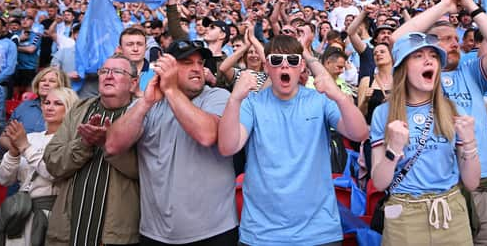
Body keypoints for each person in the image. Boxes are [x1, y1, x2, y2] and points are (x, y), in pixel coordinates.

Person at [392, 0, 487, 246]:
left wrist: (470, 5)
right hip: (436, 188)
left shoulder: (471, 72)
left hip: (480, 182)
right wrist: (445, 5)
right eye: (446, 40)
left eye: (456, 39)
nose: (455, 44)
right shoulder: (419, 79)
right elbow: (396, 40)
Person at [218, 34, 369, 245]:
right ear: (267, 67)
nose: (285, 67)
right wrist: (234, 98)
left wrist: (338, 95)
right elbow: (227, 147)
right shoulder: (251, 103)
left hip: (318, 232)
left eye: (293, 60)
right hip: (262, 233)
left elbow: (359, 133)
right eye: (277, 61)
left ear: (301, 67)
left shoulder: (319, 100)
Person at [105, 38, 238, 245]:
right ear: (167, 68)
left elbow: (207, 135)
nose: (197, 69)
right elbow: (113, 145)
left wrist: (171, 90)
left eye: (200, 63)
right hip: (155, 233)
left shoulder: (217, 96)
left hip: (214, 232)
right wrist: (145, 103)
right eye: (187, 63)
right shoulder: (150, 103)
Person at [370, 32, 480, 246]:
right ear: (402, 67)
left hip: (450, 213)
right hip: (403, 215)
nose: (429, 60)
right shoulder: (383, 114)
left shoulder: (453, 109)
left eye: (433, 55)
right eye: (418, 56)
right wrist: (393, 150)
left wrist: (469, 143)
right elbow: (380, 182)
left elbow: (472, 182)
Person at [43, 54, 140, 246]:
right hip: (68, 231)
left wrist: (107, 145)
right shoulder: (79, 109)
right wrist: (84, 144)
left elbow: (145, 170)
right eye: (104, 71)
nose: (108, 76)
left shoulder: (142, 113)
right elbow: (53, 161)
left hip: (116, 233)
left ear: (133, 82)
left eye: (118, 72)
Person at [0, 87, 79, 246]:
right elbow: (3, 180)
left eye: (57, 103)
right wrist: (13, 153)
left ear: (69, 108)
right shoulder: (31, 138)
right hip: (20, 213)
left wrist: (25, 147)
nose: (49, 107)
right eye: (46, 102)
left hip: (50, 214)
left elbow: (53, 173)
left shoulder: (72, 141)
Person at [1, 67, 71, 139]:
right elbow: (4, 136)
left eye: (52, 81)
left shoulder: (68, 109)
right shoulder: (24, 106)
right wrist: (20, 149)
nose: (46, 84)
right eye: (42, 80)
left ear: (62, 85)